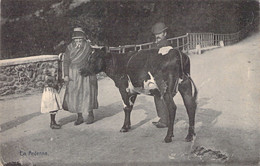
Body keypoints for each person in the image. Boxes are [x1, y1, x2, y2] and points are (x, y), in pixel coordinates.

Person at [63, 27, 98, 125]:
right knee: (75, 94)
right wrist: (66, 75)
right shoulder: (69, 48)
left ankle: (90, 114)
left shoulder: (88, 46)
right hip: (73, 74)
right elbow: (66, 62)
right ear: (73, 40)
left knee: (88, 92)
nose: (78, 42)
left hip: (86, 73)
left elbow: (94, 57)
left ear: (84, 39)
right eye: (76, 40)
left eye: (80, 40)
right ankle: (79, 116)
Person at [151, 22, 171, 128]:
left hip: (163, 75)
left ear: (165, 33)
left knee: (160, 95)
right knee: (157, 95)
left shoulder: (165, 45)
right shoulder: (158, 44)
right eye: (156, 34)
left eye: (159, 33)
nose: (157, 36)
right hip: (158, 74)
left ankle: (164, 120)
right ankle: (162, 118)